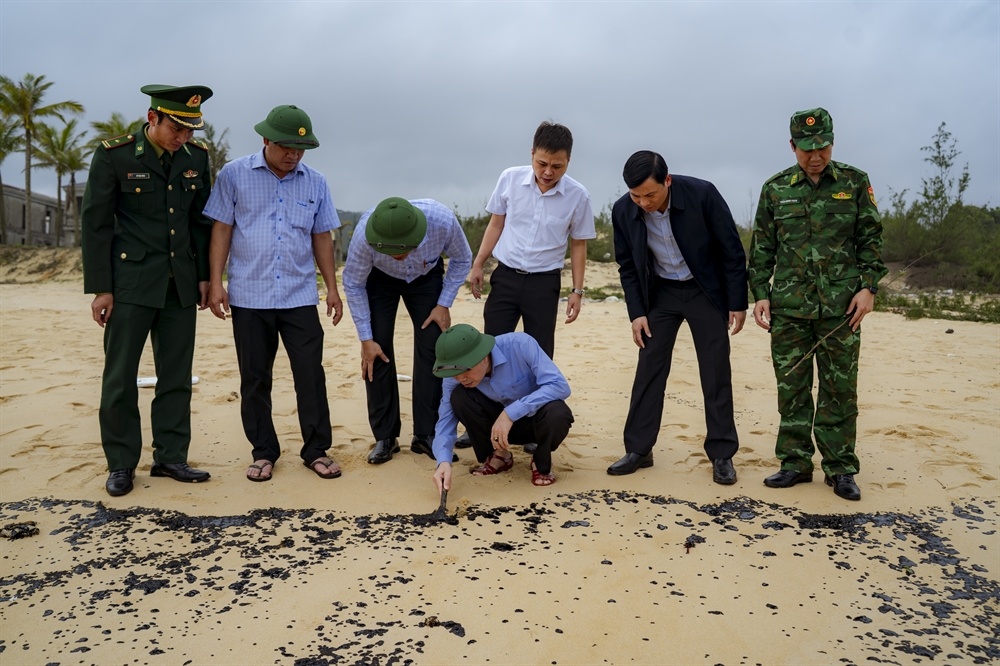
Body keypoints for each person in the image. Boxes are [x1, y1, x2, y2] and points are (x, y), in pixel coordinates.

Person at [82, 84, 214, 497]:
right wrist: (101, 288)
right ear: (152, 117)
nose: (183, 137)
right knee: (120, 378)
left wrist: (206, 277)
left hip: (181, 285)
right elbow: (96, 224)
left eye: (190, 130)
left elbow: (200, 223)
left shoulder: (196, 158)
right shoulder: (115, 155)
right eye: (177, 128)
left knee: (175, 376)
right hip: (131, 285)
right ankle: (121, 463)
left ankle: (171, 457)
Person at [748, 107, 886, 501]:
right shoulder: (776, 189)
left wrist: (869, 288)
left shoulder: (854, 182)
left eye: (822, 147)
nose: (815, 156)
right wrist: (760, 293)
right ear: (792, 146)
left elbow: (871, 239)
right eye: (807, 148)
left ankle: (840, 467)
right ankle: (794, 462)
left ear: (832, 142)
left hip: (843, 309)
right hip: (789, 308)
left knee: (839, 390)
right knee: (792, 388)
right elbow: (762, 248)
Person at [203, 104, 343, 483]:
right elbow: (221, 229)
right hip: (249, 296)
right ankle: (264, 451)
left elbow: (322, 237)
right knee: (255, 378)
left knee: (310, 376)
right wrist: (216, 282)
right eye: (286, 147)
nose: (293, 155)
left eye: (300, 149)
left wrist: (332, 288)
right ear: (265, 139)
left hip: (300, 297)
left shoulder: (316, 182)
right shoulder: (234, 175)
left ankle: (316, 450)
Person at [607, 150, 747, 485]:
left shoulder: (703, 194)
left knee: (715, 369)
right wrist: (637, 313)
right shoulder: (623, 210)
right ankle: (639, 449)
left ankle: (722, 453)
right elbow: (627, 267)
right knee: (649, 367)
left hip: (705, 290)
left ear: (667, 181)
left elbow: (731, 250)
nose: (644, 203)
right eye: (636, 196)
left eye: (650, 195)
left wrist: (737, 302)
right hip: (661, 294)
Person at [342, 197, 473, 464]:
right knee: (376, 350)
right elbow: (353, 284)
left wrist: (443, 303)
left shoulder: (442, 221)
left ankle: (426, 434)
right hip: (379, 279)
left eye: (402, 250)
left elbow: (462, 259)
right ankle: (385, 437)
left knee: (434, 348)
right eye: (390, 251)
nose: (398, 257)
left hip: (426, 277)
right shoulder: (363, 235)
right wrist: (365, 339)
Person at [469, 121, 595, 358]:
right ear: (532, 153)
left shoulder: (579, 196)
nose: (548, 172)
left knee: (540, 353)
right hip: (505, 277)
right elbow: (496, 224)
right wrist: (478, 264)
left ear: (568, 160)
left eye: (557, 166)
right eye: (542, 163)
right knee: (493, 349)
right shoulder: (510, 178)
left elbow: (579, 244)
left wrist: (577, 291)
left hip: (544, 284)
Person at [431, 324, 573, 492]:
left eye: (465, 369)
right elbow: (446, 419)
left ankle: (540, 461)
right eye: (455, 373)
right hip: (495, 430)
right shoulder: (454, 376)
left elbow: (560, 386)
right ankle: (499, 456)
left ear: (484, 357)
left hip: (535, 421)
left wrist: (510, 413)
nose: (461, 378)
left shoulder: (521, 344)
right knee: (459, 397)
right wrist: (443, 461)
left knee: (559, 413)